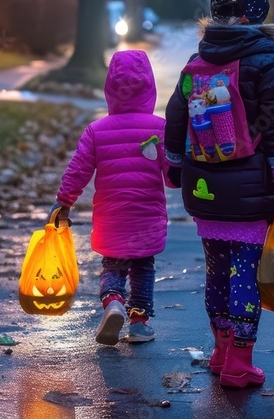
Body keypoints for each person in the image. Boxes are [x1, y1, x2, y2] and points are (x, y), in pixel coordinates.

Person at [165, 0, 274, 389]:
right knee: (245, 271)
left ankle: (221, 349)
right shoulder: (268, 61)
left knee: (215, 269)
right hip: (250, 190)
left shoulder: (196, 61)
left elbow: (176, 116)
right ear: (255, 15)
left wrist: (174, 167)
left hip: (204, 186)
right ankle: (240, 362)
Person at [51, 49, 168, 346]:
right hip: (147, 216)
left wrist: (64, 201)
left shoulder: (96, 131)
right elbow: (172, 175)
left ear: (110, 90)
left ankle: (113, 302)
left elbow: (77, 170)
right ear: (149, 87)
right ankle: (139, 323)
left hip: (111, 218)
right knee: (143, 267)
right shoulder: (159, 128)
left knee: (113, 265)